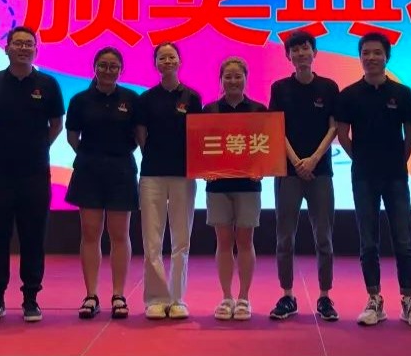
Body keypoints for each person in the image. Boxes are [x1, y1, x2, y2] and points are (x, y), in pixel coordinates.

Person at [336, 32, 411, 328]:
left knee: (404, 239)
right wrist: (359, 157)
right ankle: (374, 300)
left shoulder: (402, 93)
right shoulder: (349, 94)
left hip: (395, 176)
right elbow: (342, 133)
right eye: (366, 53)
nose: (372, 57)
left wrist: (400, 158)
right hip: (363, 176)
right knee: (368, 240)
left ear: (386, 57)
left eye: (377, 52)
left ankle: (409, 301)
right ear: (360, 57)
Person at [0, 26, 64, 324]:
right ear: (7, 48)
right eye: (18, 43)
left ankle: (31, 298)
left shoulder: (48, 84)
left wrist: (37, 148)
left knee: (33, 236)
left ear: (36, 50)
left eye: (29, 44)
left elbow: (56, 124)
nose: (24, 48)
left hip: (35, 174)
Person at [267, 31, 340, 321]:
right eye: (294, 50)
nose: (300, 54)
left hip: (320, 171)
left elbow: (333, 127)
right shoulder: (280, 88)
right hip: (288, 172)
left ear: (314, 52)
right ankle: (287, 295)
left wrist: (313, 159)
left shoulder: (329, 87)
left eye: (305, 48)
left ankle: (324, 296)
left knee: (324, 237)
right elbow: (276, 127)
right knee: (285, 237)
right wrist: (297, 161)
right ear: (288, 56)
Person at [65, 47, 139, 320]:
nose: (108, 71)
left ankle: (119, 295)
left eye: (113, 66)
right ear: (94, 67)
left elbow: (139, 135)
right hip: (89, 171)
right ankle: (91, 295)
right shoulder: (80, 100)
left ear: (121, 70)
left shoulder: (131, 99)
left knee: (120, 234)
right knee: (90, 233)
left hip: (122, 171)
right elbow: (72, 136)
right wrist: (90, 156)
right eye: (103, 65)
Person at [135, 42, 203, 320]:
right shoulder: (146, 98)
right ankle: (155, 298)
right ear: (156, 63)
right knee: (152, 240)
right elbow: (141, 133)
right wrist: (152, 155)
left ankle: (177, 299)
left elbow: (198, 134)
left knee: (181, 240)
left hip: (183, 175)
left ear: (179, 61)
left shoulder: (192, 97)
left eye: (171, 57)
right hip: (152, 174)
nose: (167, 61)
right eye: (162, 58)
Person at [204, 56, 267, 322]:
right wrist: (204, 169)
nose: (232, 81)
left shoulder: (258, 110)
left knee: (245, 241)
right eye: (227, 76)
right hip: (217, 186)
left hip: (248, 185)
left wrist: (261, 168)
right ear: (221, 79)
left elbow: (266, 147)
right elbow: (202, 147)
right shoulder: (209, 110)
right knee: (223, 241)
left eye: (237, 76)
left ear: (245, 79)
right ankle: (226, 296)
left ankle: (244, 297)